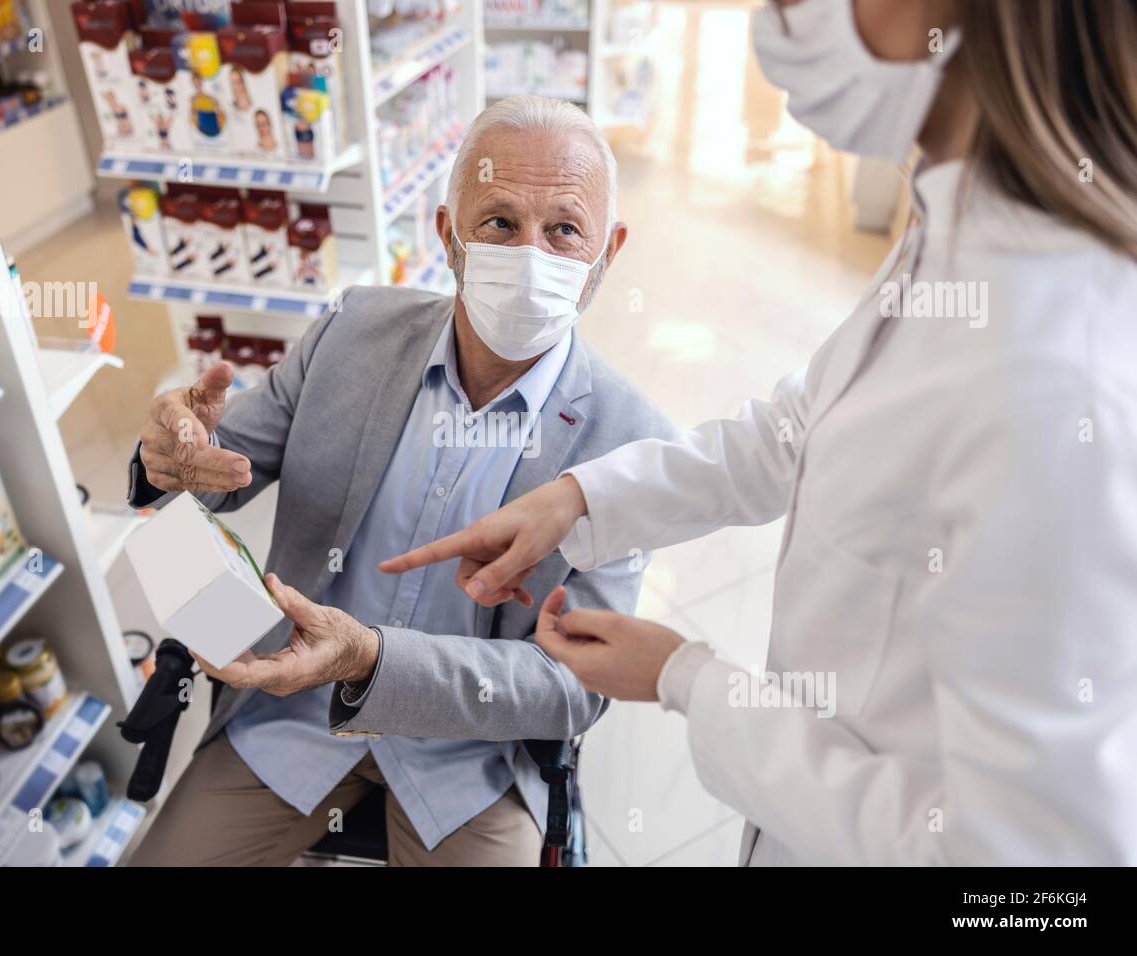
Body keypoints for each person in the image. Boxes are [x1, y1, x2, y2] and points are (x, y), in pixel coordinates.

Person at [383, 0, 1137, 865]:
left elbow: (1033, 876)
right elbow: (796, 428)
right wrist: (578, 498)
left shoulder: (1056, 372)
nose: (782, 18)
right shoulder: (954, 230)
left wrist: (689, 681)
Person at [125, 96, 675, 866]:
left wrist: (374, 664)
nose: (529, 257)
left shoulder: (630, 439)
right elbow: (216, 472)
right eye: (499, 223)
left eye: (563, 230)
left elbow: (573, 686)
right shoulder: (353, 332)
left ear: (607, 253)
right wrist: (169, 455)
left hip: (470, 757)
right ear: (448, 234)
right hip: (293, 712)